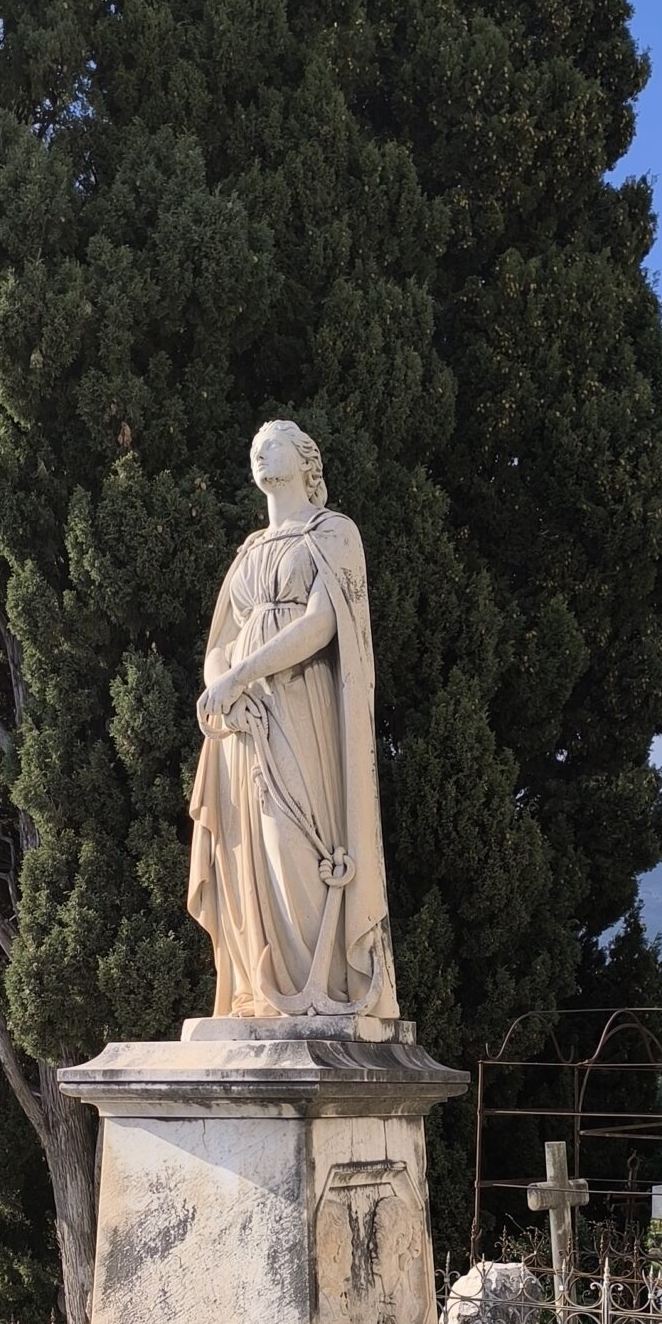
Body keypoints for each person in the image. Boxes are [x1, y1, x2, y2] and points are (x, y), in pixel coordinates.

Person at [188, 421, 396, 1020]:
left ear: (307, 460)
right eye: (253, 444)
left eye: (272, 442)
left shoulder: (333, 533)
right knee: (245, 847)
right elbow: (217, 642)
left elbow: (321, 625)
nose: (259, 450)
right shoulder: (250, 551)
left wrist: (237, 675)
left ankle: (321, 986)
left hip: (302, 709)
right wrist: (223, 688)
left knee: (296, 843)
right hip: (246, 722)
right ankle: (261, 987)